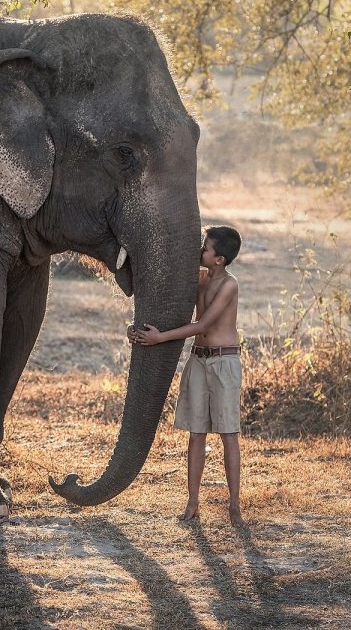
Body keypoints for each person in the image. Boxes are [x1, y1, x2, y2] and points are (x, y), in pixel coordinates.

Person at [130, 225, 243, 525]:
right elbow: (172, 304)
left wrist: (161, 338)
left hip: (224, 363)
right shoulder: (201, 278)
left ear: (219, 259)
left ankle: (234, 506)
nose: (200, 252)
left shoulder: (229, 285)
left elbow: (203, 324)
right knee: (196, 434)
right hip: (198, 360)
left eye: (205, 248)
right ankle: (193, 503)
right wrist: (140, 328)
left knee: (229, 434)